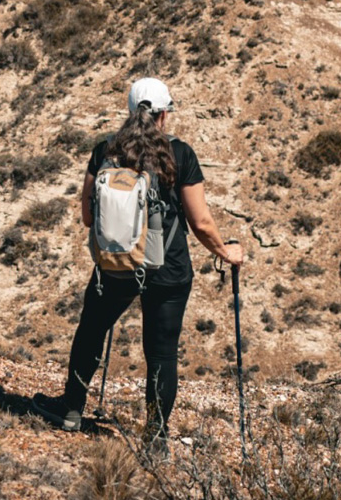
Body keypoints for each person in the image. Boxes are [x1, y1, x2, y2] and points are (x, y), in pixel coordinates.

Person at [32, 77, 244, 451]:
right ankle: (156, 438)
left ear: (130, 111)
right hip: (168, 267)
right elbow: (201, 222)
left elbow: (86, 215)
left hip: (116, 263)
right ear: (163, 115)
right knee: (161, 351)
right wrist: (226, 252)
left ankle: (71, 408)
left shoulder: (104, 152)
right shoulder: (181, 155)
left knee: (91, 331)